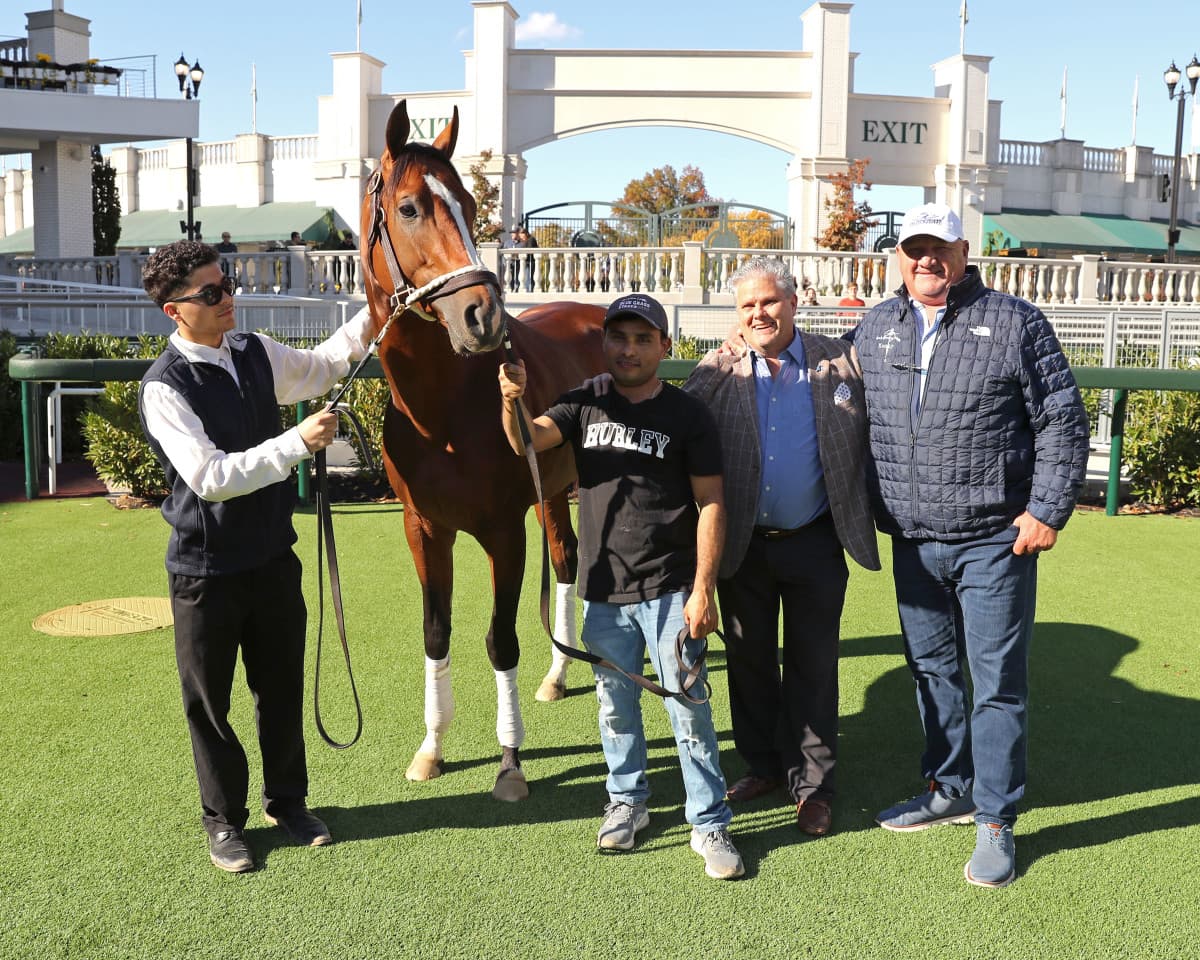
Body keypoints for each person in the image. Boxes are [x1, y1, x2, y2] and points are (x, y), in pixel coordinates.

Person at [854, 203, 1089, 888]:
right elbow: (822, 379)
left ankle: (994, 819)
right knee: (931, 673)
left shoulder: (1017, 322)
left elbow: (1062, 421)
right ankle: (949, 788)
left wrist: (1045, 510)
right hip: (913, 540)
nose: (927, 260)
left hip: (995, 540)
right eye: (914, 249)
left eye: (939, 248)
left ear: (963, 250)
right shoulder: (877, 325)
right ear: (898, 256)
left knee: (996, 685)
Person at [137, 240, 372, 873]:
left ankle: (288, 803)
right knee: (210, 704)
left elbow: (324, 366)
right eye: (210, 293)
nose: (227, 298)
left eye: (227, 283)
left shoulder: (254, 351)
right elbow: (211, 477)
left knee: (281, 690)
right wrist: (297, 441)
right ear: (174, 311)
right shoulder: (164, 387)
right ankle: (223, 822)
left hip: (271, 558)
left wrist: (381, 302)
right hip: (204, 571)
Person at [497, 293, 744, 881]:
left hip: (670, 589)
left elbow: (712, 502)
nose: (629, 349)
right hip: (603, 590)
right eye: (618, 338)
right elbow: (525, 441)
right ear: (604, 343)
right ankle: (628, 802)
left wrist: (703, 589)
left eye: (642, 339)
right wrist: (510, 402)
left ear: (664, 346)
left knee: (688, 708)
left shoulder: (688, 415)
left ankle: (709, 821)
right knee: (614, 709)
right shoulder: (585, 401)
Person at [684, 257, 880, 838]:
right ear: (735, 315)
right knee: (748, 663)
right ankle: (764, 766)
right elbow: (673, 435)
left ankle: (813, 785)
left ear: (794, 303)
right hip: (742, 544)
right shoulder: (716, 371)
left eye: (769, 302)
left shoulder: (842, 360)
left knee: (813, 667)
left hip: (817, 541)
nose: (759, 313)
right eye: (747, 306)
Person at [518, 226, 538, 292]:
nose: (521, 237)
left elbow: (529, 250)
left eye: (521, 235)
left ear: (526, 234)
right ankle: (529, 289)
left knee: (531, 276)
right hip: (527, 262)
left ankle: (531, 289)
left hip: (531, 261)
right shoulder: (525, 241)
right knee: (526, 276)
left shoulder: (531, 239)